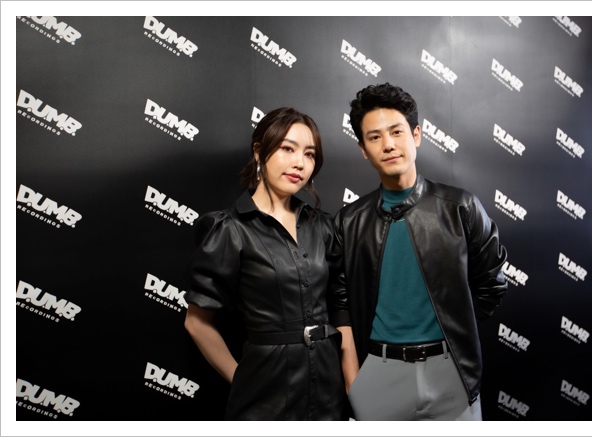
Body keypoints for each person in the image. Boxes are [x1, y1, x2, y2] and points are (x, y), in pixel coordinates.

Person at [332, 83, 509, 421]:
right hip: (378, 373)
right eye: (374, 137)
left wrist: (454, 328)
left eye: (396, 132)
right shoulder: (349, 221)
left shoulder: (461, 207)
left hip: (451, 371)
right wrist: (355, 383)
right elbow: (340, 304)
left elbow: (492, 283)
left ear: (416, 135)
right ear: (363, 150)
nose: (388, 144)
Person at [183, 107, 346, 420]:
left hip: (328, 390)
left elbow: (342, 306)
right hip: (264, 394)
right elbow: (196, 322)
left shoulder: (322, 226)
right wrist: (242, 380)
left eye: (309, 154)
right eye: (287, 149)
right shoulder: (229, 229)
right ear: (259, 151)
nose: (300, 163)